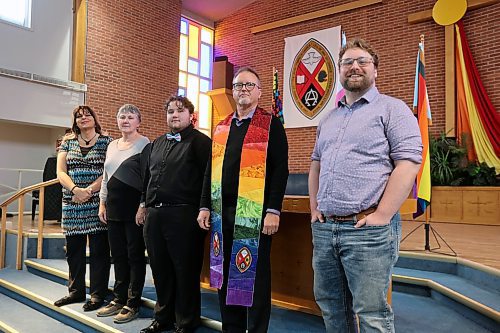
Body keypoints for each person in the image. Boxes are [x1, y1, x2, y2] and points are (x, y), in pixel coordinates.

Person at [308, 38, 423, 333]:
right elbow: (316, 163)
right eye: (347, 62)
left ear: (376, 71)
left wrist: (383, 215)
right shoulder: (328, 119)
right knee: (332, 307)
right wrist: (314, 209)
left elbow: (409, 162)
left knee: (372, 314)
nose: (354, 66)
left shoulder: (392, 110)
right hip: (325, 230)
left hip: (366, 230)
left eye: (362, 61)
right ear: (339, 71)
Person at [197, 66, 289, 333]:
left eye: (249, 85)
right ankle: (232, 329)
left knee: (255, 277)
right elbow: (209, 170)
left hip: (254, 212)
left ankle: (257, 329)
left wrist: (274, 209)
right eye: (238, 85)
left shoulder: (271, 124)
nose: (243, 90)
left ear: (259, 92)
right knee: (225, 274)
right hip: (220, 212)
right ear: (233, 91)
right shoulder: (222, 127)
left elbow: (280, 169)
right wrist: (204, 204)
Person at [138, 96, 211, 333]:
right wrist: (143, 205)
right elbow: (147, 178)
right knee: (160, 269)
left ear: (191, 115)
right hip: (155, 216)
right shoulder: (157, 143)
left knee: (185, 271)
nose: (174, 115)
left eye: (180, 110)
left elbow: (208, 180)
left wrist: (204, 207)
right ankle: (163, 318)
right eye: (170, 111)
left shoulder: (201, 143)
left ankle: (187, 322)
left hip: (185, 216)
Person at [54, 105, 112, 312]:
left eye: (87, 115)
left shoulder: (107, 141)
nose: (83, 118)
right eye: (79, 116)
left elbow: (108, 171)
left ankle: (98, 294)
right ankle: (75, 291)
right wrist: (75, 189)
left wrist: (88, 191)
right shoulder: (67, 142)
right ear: (75, 122)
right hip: (72, 202)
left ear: (95, 119)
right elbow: (61, 172)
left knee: (99, 252)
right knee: (74, 251)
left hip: (98, 202)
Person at [96, 104, 150, 323]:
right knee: (118, 255)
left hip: (133, 208)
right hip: (113, 207)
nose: (125, 120)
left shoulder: (144, 143)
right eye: (122, 117)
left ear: (138, 121)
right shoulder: (112, 145)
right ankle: (118, 298)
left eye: (130, 117)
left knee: (134, 256)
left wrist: (143, 204)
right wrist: (102, 203)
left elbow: (148, 177)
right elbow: (106, 177)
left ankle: (133, 301)